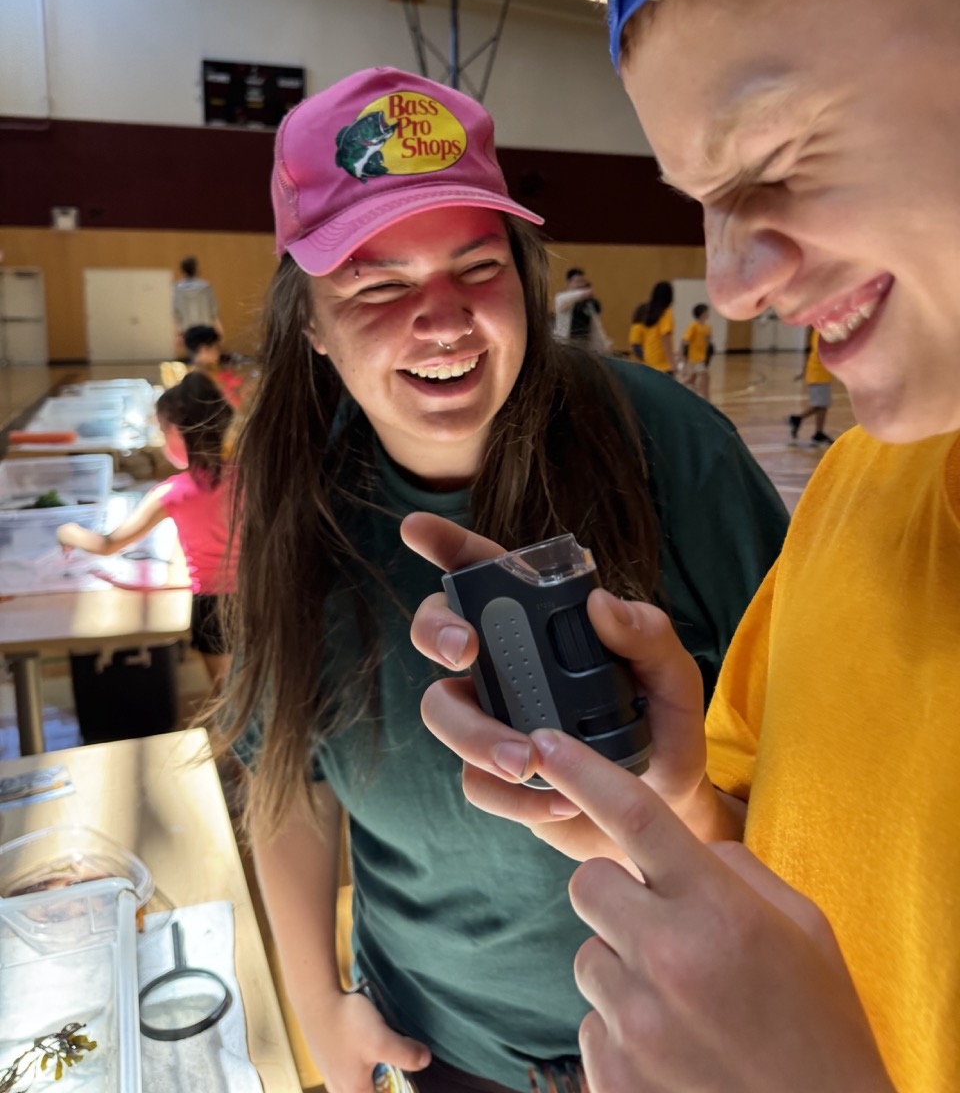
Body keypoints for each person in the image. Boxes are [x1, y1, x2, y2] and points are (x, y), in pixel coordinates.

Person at [406, 0, 960, 1092]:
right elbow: (776, 843)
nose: (734, 281)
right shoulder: (860, 489)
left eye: (776, 156)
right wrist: (667, 799)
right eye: (701, 200)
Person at [215, 66, 788, 1093]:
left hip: (691, 1039)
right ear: (309, 322)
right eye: (380, 285)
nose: (443, 320)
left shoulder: (670, 449)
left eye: (476, 267)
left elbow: (815, 749)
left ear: (524, 278)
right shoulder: (297, 502)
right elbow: (286, 771)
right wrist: (316, 1001)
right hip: (444, 1043)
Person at [58, 372, 235, 689]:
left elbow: (108, 544)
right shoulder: (253, 478)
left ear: (177, 432)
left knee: (228, 694)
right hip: (261, 595)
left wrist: (68, 531)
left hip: (213, 605)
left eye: (162, 431)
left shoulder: (173, 494)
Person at [183, 323, 248, 409]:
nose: (219, 351)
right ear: (204, 349)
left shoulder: (212, 369)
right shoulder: (201, 380)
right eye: (216, 347)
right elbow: (230, 403)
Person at [787, 328, 833, 446]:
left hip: (820, 373)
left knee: (823, 405)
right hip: (819, 374)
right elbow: (822, 353)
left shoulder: (820, 331)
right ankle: (797, 419)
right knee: (820, 404)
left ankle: (818, 432)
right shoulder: (822, 332)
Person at [553, 267, 612, 352]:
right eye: (576, 282)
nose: (579, 285)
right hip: (566, 344)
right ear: (569, 283)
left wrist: (604, 346)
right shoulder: (562, 298)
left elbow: (596, 326)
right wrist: (583, 294)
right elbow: (564, 300)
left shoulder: (589, 304)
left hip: (584, 346)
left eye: (581, 281)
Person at [173, 256, 223, 350]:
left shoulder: (177, 288)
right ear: (196, 269)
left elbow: (176, 312)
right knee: (207, 352)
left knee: (194, 353)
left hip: (188, 330)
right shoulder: (206, 287)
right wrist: (218, 328)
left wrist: (178, 333)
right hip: (205, 328)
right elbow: (213, 311)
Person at [628, 280, 675, 373]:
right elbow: (665, 338)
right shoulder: (666, 312)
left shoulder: (650, 313)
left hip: (649, 359)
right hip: (662, 362)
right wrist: (672, 363)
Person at [681, 302, 713, 399]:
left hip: (702, 356)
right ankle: (706, 398)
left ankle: (678, 387)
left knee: (692, 378)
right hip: (695, 357)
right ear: (702, 313)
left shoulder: (707, 327)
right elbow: (685, 340)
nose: (708, 313)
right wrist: (683, 358)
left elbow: (707, 342)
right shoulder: (693, 326)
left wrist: (708, 339)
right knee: (705, 375)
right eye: (706, 311)